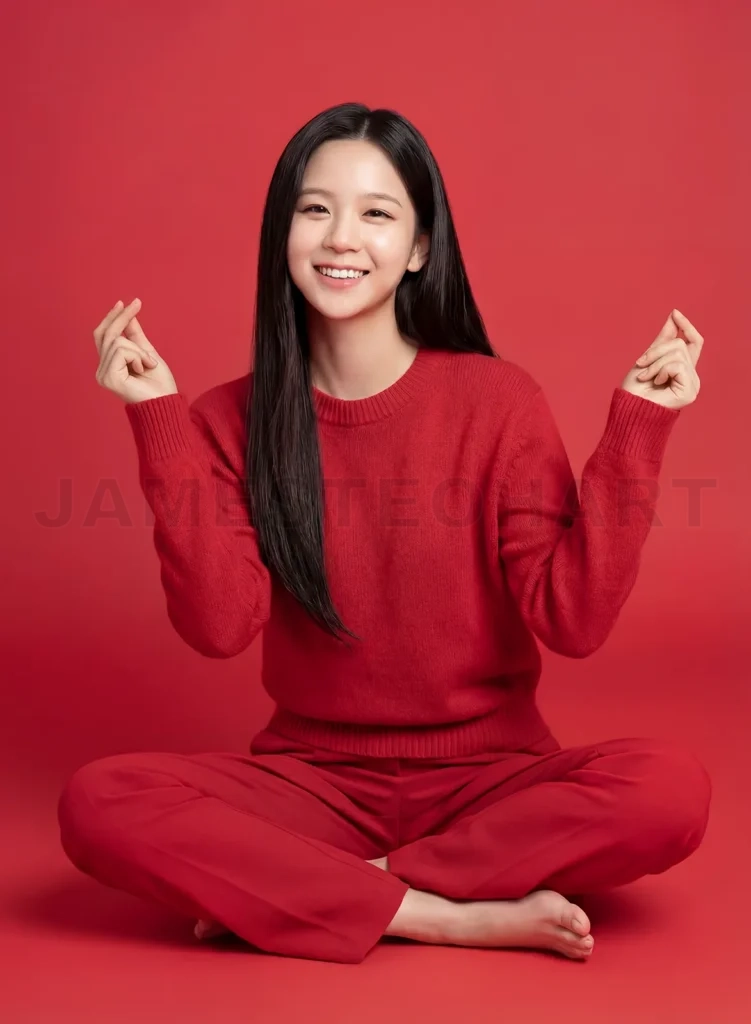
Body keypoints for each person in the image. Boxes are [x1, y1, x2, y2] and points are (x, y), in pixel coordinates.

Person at [58, 102, 711, 965]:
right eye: (315, 208)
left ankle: (316, 892)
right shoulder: (225, 420)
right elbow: (217, 627)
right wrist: (158, 422)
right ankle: (439, 912)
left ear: (418, 248)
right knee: (97, 802)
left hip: (489, 783)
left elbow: (573, 620)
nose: (340, 237)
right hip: (310, 787)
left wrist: (639, 431)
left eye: (375, 212)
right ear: (282, 232)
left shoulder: (497, 401)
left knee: (669, 791)